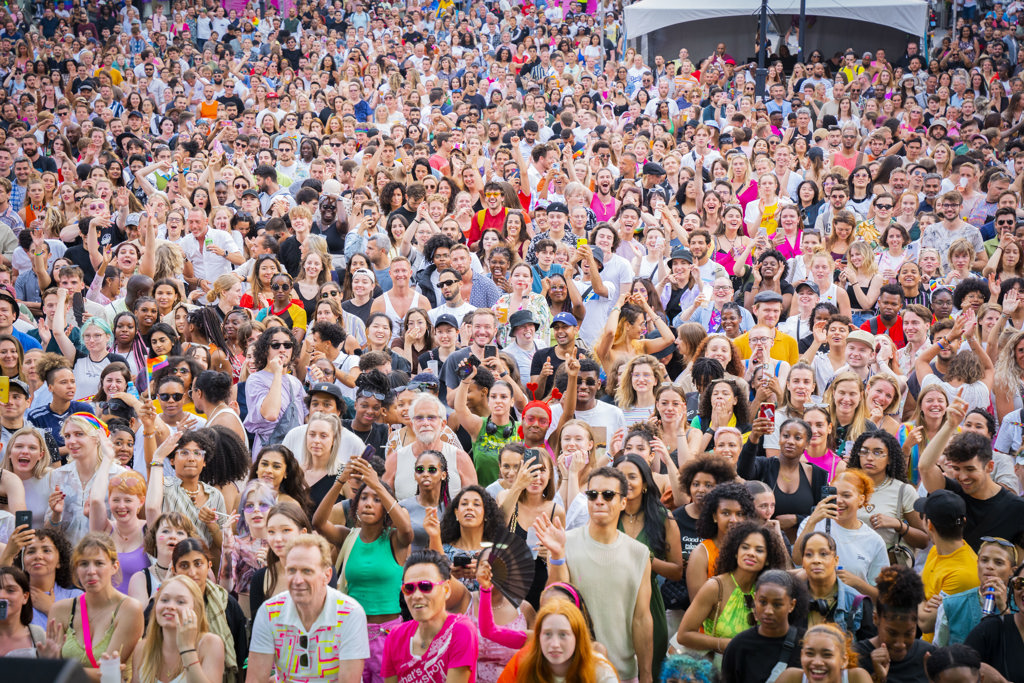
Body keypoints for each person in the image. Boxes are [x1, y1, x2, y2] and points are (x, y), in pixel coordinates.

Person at [535, 466, 654, 683]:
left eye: (608, 495)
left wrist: (646, 674)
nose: (599, 500)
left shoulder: (639, 553)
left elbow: (642, 619)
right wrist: (558, 554)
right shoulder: (564, 541)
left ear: (623, 502)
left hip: (623, 672)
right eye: (592, 494)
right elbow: (554, 601)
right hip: (572, 670)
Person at [312, 454, 413, 683]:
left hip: (389, 635)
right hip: (352, 634)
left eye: (377, 499)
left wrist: (377, 483)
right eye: (364, 498)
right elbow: (318, 522)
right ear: (356, 505)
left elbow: (407, 529)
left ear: (386, 505)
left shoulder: (395, 541)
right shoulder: (348, 537)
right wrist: (340, 480)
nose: (368, 503)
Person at [247, 534, 369, 683]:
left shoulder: (350, 613)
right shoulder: (269, 612)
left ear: (327, 575)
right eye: (292, 570)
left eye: (307, 571)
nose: (297, 580)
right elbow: (256, 680)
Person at [676, 521, 789, 664]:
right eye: (745, 547)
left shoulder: (768, 589)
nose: (751, 553)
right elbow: (683, 635)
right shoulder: (715, 587)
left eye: (759, 550)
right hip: (718, 670)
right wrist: (724, 644)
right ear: (736, 552)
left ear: (767, 559)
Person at [38, 533, 145, 678]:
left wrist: (58, 667)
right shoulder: (60, 609)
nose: (91, 571)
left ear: (114, 566)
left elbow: (108, 674)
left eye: (99, 563)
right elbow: (51, 667)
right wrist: (50, 663)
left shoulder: (130, 608)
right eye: (83, 564)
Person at [381, 550, 479, 683]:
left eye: (425, 586)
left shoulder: (460, 630)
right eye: (409, 588)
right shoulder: (395, 636)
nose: (416, 596)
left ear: (446, 589)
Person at [129, 575, 225, 683]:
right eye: (164, 600)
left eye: (180, 602)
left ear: (196, 608)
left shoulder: (209, 644)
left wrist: (187, 649)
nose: (170, 606)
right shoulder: (142, 648)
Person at [497, 600, 618, 683]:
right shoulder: (525, 666)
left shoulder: (600, 671)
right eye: (547, 634)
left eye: (563, 635)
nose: (554, 644)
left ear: (577, 636)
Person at [720, 570, 806, 683]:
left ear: (792, 605)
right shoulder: (738, 646)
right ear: (755, 599)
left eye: (777, 604)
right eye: (763, 602)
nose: (769, 611)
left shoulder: (805, 643)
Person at [854, 566, 933, 683]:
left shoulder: (927, 656)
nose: (900, 644)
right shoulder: (856, 659)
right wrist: (878, 678)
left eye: (908, 633)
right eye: (892, 633)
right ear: (876, 619)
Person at [775, 623, 873, 683]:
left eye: (827, 655)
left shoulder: (856, 678)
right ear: (801, 655)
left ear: (844, 660)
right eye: (810, 653)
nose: (817, 662)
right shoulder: (792, 678)